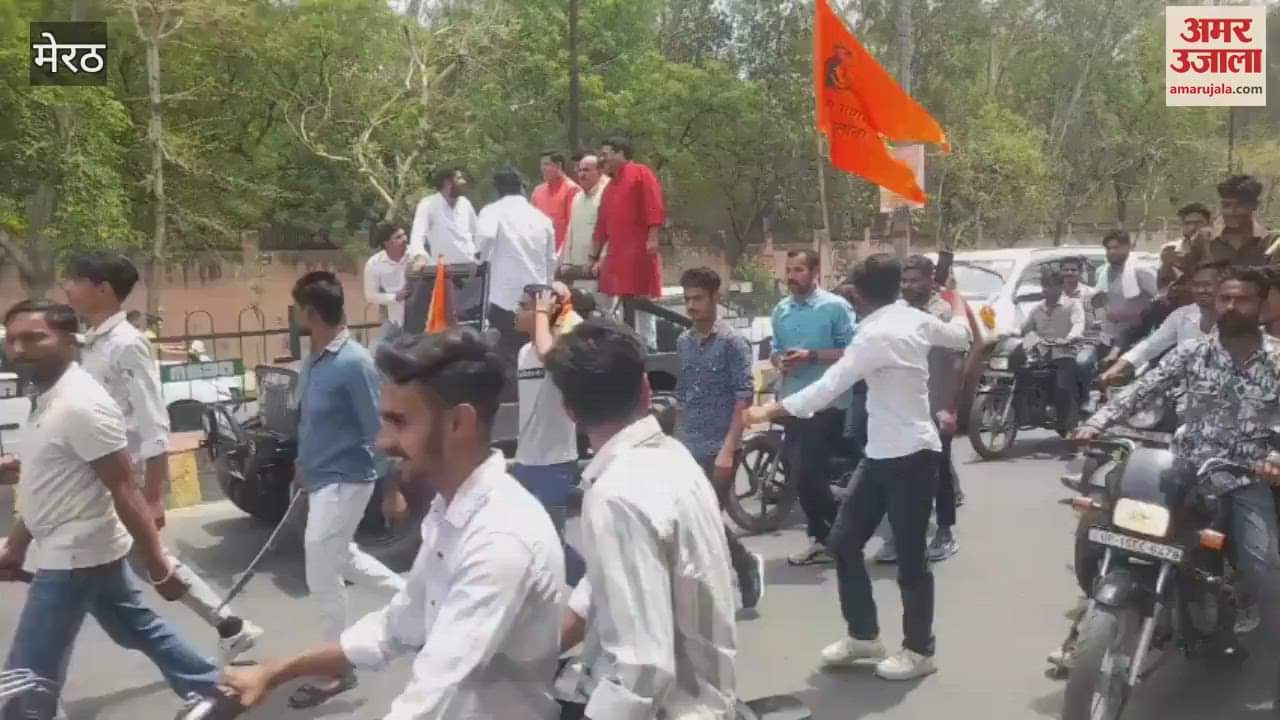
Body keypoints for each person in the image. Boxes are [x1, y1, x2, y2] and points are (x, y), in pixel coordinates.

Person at [221, 328, 565, 719]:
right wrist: (274, 671)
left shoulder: (499, 540)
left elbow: (431, 699)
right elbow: (393, 627)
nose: (382, 442)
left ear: (459, 423)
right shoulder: (449, 512)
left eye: (399, 422)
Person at [746, 254, 973, 681]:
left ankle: (919, 650)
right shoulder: (913, 318)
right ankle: (864, 636)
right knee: (844, 542)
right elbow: (960, 335)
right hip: (881, 454)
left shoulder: (877, 334)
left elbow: (830, 385)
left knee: (910, 557)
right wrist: (955, 297)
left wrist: (771, 410)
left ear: (858, 294)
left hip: (912, 455)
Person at [0, 300, 224, 716]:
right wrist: (16, 545)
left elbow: (124, 488)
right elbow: (47, 486)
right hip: (83, 550)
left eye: (34, 338)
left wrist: (158, 563)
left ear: (70, 340)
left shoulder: (81, 404)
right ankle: (214, 688)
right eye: (12, 339)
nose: (19, 349)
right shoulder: (47, 399)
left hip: (74, 556)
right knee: (136, 628)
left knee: (27, 676)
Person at [1074, 267, 1280, 685]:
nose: (1231, 306)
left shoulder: (1277, 359)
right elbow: (1143, 388)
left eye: (1242, 299)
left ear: (1261, 305)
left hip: (1242, 478)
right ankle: (1088, 629)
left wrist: (1274, 455)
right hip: (1183, 470)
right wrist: (1096, 422)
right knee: (1111, 528)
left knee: (1263, 568)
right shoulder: (1192, 352)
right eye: (1225, 298)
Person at [62, 252, 265, 662]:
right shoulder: (91, 343)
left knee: (129, 563)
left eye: (75, 280)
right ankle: (229, 626)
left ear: (102, 289)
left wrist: (153, 496)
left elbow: (154, 421)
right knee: (134, 563)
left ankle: (221, 633)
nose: (67, 289)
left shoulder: (127, 343)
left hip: (124, 475)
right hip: (95, 475)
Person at [548, 320, 736, 719]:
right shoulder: (670, 455)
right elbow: (609, 579)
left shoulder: (616, 495)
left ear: (569, 412)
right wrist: (544, 646)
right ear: (646, 389)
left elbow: (643, 671)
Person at [288, 271, 407, 708]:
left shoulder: (355, 363)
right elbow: (310, 420)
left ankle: (336, 666)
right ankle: (413, 598)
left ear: (312, 313)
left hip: (348, 480)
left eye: (297, 309)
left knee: (321, 570)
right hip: (321, 478)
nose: (294, 316)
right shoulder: (314, 359)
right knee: (341, 557)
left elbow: (380, 429)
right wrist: (302, 462)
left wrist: (392, 488)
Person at [675, 267, 767, 609]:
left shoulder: (732, 342)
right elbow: (683, 394)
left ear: (716, 298)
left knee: (706, 516)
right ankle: (733, 568)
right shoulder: (684, 342)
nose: (691, 306)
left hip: (721, 444)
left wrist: (729, 448)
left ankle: (742, 565)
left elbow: (744, 396)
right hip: (690, 442)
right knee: (694, 518)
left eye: (698, 299)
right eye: (687, 299)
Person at [770, 249, 854, 566]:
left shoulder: (835, 307)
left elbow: (853, 352)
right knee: (800, 473)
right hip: (793, 400)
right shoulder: (781, 310)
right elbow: (776, 350)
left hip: (827, 402)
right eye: (789, 270)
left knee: (806, 471)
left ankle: (840, 529)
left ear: (815, 271)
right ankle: (825, 537)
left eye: (799, 270)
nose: (792, 276)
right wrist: (781, 361)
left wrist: (812, 356)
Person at [512, 282, 585, 587]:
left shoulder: (559, 349)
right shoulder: (522, 353)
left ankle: (594, 588)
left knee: (553, 543)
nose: (516, 312)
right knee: (529, 542)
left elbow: (547, 352)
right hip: (525, 462)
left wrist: (544, 311)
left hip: (555, 463)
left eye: (524, 306)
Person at [896, 255, 964, 562]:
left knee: (939, 469)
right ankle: (905, 534)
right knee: (903, 470)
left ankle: (945, 530)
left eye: (914, 280)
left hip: (935, 401)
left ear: (929, 281)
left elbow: (954, 363)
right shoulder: (899, 310)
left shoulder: (942, 313)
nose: (908, 286)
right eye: (904, 280)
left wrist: (949, 408)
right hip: (904, 401)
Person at [1100, 259, 1228, 385]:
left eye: (1207, 285)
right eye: (1196, 285)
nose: (1201, 290)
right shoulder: (1181, 315)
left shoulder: (1234, 317)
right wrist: (1115, 369)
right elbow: (1150, 346)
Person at [591, 136, 666, 347]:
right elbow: (602, 226)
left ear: (621, 153)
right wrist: (593, 256)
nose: (602, 159)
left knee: (642, 303)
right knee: (620, 304)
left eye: (605, 154)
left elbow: (654, 206)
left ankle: (649, 347)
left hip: (639, 253)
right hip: (617, 256)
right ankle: (628, 346)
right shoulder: (609, 188)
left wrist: (652, 237)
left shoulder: (641, 173)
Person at [476, 169, 558, 360]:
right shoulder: (541, 218)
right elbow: (551, 259)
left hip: (504, 299)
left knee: (505, 355)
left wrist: (479, 259)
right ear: (522, 188)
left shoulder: (492, 211)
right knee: (536, 353)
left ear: (497, 189)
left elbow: (486, 237)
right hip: (537, 300)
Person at [1018, 270, 1084, 435]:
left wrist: (1069, 338)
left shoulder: (1072, 305)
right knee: (1021, 375)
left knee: (1062, 386)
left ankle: (1065, 421)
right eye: (1045, 286)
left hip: (1065, 352)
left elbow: (1078, 324)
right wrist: (1005, 334)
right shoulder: (1037, 309)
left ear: (1061, 287)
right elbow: (1024, 328)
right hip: (1042, 355)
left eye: (1051, 286)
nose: (1046, 290)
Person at [1183, 175, 1279, 271]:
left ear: (1255, 205)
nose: (1232, 212)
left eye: (1240, 206)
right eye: (1226, 205)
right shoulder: (1205, 239)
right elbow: (1185, 274)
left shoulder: (1273, 241)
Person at [1095, 230, 1158, 368]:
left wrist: (1139, 316)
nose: (1111, 252)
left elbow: (1159, 299)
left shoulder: (1142, 270)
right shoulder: (1102, 271)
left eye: (1116, 247)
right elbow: (1101, 301)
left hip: (1136, 337)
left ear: (1128, 247)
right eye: (1108, 248)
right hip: (1108, 336)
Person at [408, 166, 479, 267]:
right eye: (459, 178)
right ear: (447, 183)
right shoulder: (427, 204)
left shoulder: (465, 203)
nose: (464, 182)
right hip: (443, 270)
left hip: (470, 267)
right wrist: (420, 256)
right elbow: (417, 236)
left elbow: (477, 234)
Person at [559, 152, 610, 289]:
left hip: (598, 269)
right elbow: (571, 230)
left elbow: (612, 232)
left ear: (600, 172)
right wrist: (567, 261)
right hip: (577, 270)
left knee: (601, 302)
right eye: (580, 170)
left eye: (586, 170)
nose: (582, 174)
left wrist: (602, 259)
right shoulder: (577, 198)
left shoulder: (607, 195)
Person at [1059, 257, 1103, 410]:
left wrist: (1092, 324)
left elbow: (1101, 320)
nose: (1069, 273)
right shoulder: (1054, 294)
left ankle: (1088, 396)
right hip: (1058, 343)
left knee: (1082, 363)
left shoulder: (1091, 294)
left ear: (1080, 272)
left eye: (1073, 270)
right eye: (1065, 270)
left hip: (1086, 341)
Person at [364, 222, 413, 345]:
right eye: (398, 237)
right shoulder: (374, 263)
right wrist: (395, 297)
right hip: (396, 324)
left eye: (404, 235)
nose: (405, 239)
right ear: (386, 243)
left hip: (422, 323)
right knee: (376, 350)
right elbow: (370, 295)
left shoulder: (416, 256)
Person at [531, 149, 581, 256]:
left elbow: (573, 227)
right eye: (542, 165)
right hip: (539, 253)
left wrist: (562, 255)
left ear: (558, 166)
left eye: (547, 164)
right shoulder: (538, 191)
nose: (543, 168)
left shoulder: (571, 190)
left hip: (562, 255)